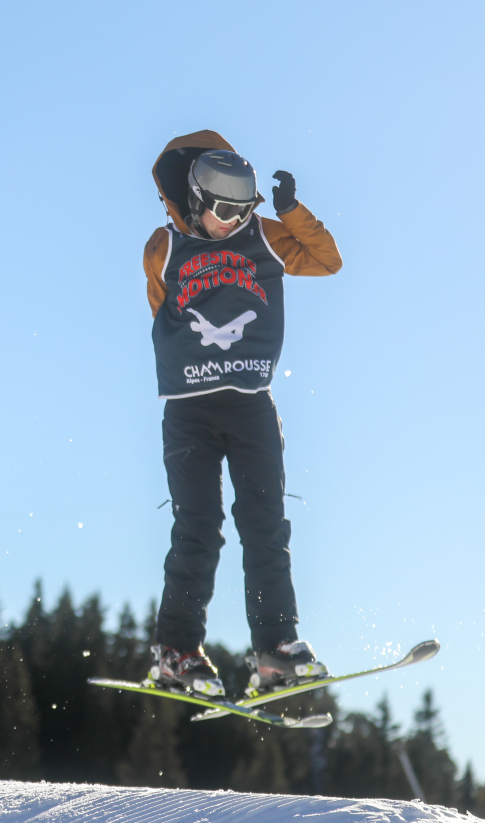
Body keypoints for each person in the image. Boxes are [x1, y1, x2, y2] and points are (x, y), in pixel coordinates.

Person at [142, 131, 343, 698]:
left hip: (252, 404)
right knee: (198, 530)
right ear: (199, 201)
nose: (234, 221)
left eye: (243, 209)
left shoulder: (266, 236)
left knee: (266, 526)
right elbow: (161, 314)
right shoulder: (163, 247)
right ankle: (176, 651)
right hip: (188, 410)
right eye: (225, 210)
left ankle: (275, 651)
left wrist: (289, 213)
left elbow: (328, 261)